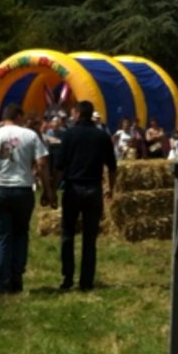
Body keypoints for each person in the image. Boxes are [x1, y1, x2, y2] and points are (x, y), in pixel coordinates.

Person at [0, 104, 54, 295]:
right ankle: (17, 276)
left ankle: (4, 282)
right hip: (22, 189)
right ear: (18, 116)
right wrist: (47, 190)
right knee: (20, 234)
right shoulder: (30, 135)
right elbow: (42, 164)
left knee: (0, 237)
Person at [56, 100, 118, 291]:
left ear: (77, 114)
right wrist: (111, 188)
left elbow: (59, 165)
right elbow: (112, 166)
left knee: (68, 234)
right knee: (90, 238)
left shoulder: (68, 135)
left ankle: (67, 278)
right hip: (93, 188)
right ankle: (86, 281)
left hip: (73, 188)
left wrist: (52, 189)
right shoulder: (102, 136)